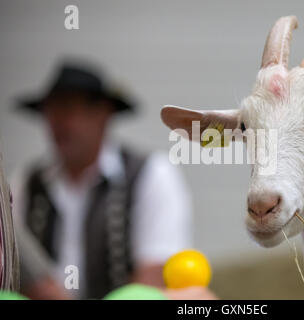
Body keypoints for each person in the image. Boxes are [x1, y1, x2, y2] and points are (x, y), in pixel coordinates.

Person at [11, 60, 214, 299]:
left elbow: (152, 278)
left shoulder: (151, 174)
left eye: (70, 109)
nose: (59, 123)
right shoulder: (26, 181)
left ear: (102, 114)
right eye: (52, 111)